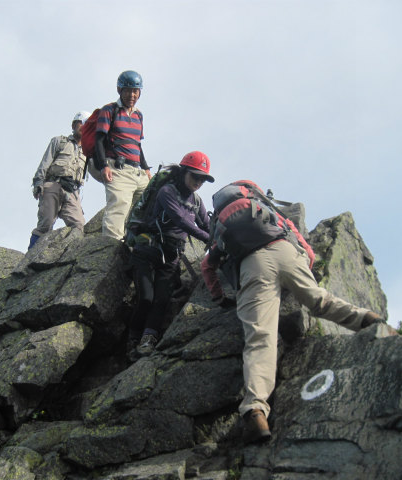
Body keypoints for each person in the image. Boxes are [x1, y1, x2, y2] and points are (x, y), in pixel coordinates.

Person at [200, 181, 388, 444]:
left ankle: (256, 409)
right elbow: (293, 233)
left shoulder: (221, 222)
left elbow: (207, 265)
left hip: (252, 266)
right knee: (319, 300)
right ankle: (367, 319)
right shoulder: (262, 207)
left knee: (260, 336)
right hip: (285, 250)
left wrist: (219, 297)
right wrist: (305, 262)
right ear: (249, 193)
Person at [127, 151, 214, 360]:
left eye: (202, 178)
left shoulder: (196, 200)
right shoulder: (167, 191)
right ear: (184, 172)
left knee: (162, 300)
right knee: (146, 298)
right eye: (195, 176)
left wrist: (220, 238)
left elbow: (206, 224)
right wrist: (209, 239)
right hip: (147, 250)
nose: (199, 182)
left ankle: (148, 339)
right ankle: (132, 338)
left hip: (172, 255)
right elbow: (181, 221)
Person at [93, 70, 152, 240]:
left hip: (137, 171)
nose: (132, 95)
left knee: (149, 204)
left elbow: (137, 145)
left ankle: (137, 244)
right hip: (117, 168)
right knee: (118, 209)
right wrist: (103, 165)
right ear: (119, 90)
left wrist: (146, 168)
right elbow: (99, 140)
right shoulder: (109, 110)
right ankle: (108, 253)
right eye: (127, 90)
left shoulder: (139, 115)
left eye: (135, 91)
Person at [28, 111, 91, 249]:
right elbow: (45, 163)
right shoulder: (59, 141)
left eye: (87, 125)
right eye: (81, 123)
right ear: (74, 125)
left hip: (72, 192)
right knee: (46, 223)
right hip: (53, 185)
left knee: (78, 224)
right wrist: (38, 183)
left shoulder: (88, 152)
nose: (83, 127)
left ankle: (68, 256)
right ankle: (29, 259)